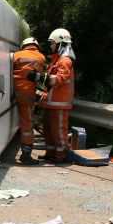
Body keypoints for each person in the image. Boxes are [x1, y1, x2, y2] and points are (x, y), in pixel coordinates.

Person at [30, 28, 75, 163]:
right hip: (52, 103)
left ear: (60, 44)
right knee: (49, 130)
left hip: (59, 103)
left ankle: (61, 156)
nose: (51, 46)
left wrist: (40, 77)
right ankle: (51, 153)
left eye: (52, 43)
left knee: (59, 131)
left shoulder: (64, 61)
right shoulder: (56, 60)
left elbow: (59, 78)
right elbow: (50, 82)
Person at [13, 37, 46, 165]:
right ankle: (26, 155)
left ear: (24, 45)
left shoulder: (16, 55)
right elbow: (39, 77)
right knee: (27, 125)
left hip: (13, 90)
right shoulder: (41, 58)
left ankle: (25, 153)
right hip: (27, 95)